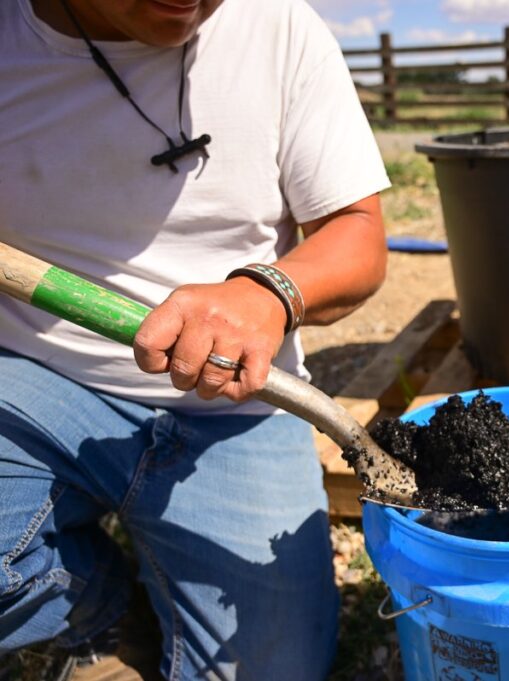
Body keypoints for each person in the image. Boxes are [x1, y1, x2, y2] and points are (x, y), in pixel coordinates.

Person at [0, 0, 389, 678]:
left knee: (272, 667)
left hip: (237, 412)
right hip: (36, 384)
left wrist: (268, 292)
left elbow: (357, 234)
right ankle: (97, 616)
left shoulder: (278, 26)